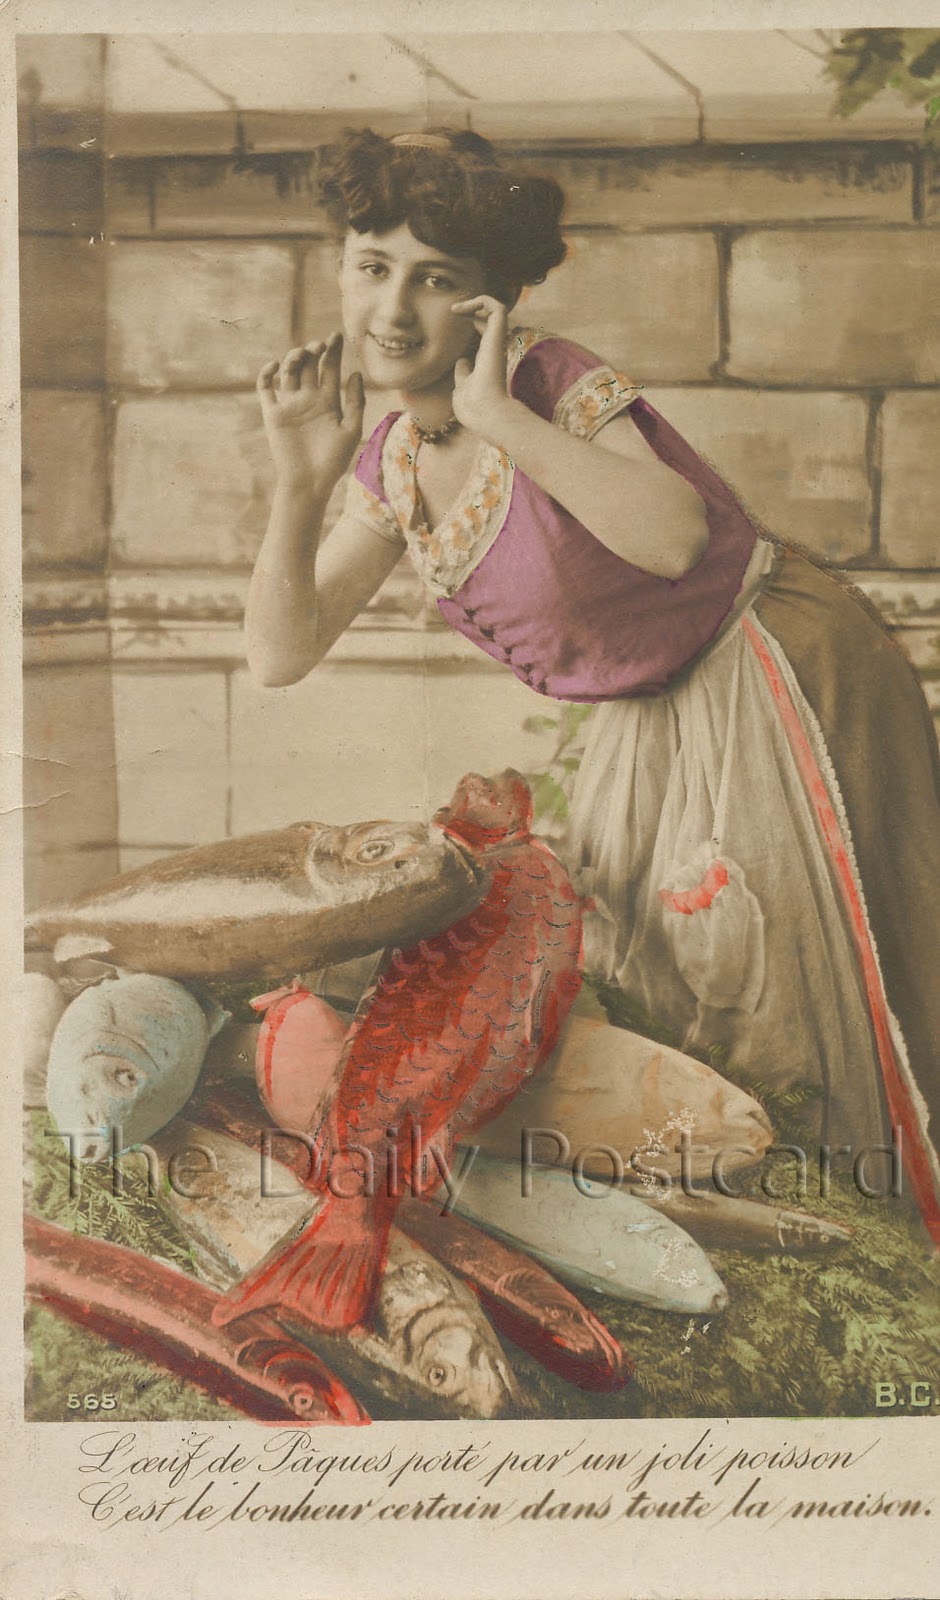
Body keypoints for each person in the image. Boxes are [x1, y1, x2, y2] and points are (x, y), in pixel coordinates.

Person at [244, 126, 940, 1243]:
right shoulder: (394, 457)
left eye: (437, 279)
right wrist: (298, 481)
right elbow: (279, 655)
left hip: (770, 672)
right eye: (372, 267)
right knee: (666, 990)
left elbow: (675, 541)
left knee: (781, 996)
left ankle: (872, 1245)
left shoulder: (549, 384)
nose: (393, 309)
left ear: (492, 302)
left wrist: (500, 418)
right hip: (650, 714)